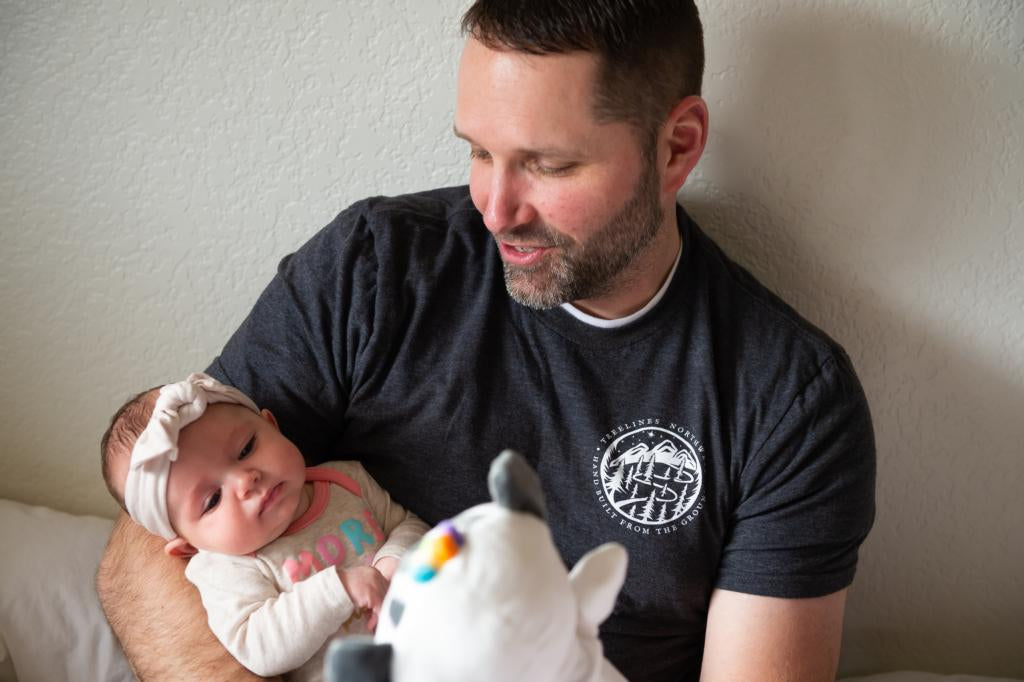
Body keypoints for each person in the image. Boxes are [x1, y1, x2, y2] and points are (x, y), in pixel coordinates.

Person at [97, 1, 876, 680]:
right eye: (478, 151)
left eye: (547, 164)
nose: (494, 209)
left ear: (676, 146)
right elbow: (153, 539)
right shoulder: (375, 270)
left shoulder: (787, 404)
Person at [100, 373, 428, 680]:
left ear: (272, 426)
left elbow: (407, 524)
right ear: (188, 546)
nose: (246, 480)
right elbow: (257, 645)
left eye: (246, 449)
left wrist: (394, 561)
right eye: (213, 499)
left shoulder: (347, 480)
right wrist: (341, 589)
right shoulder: (225, 568)